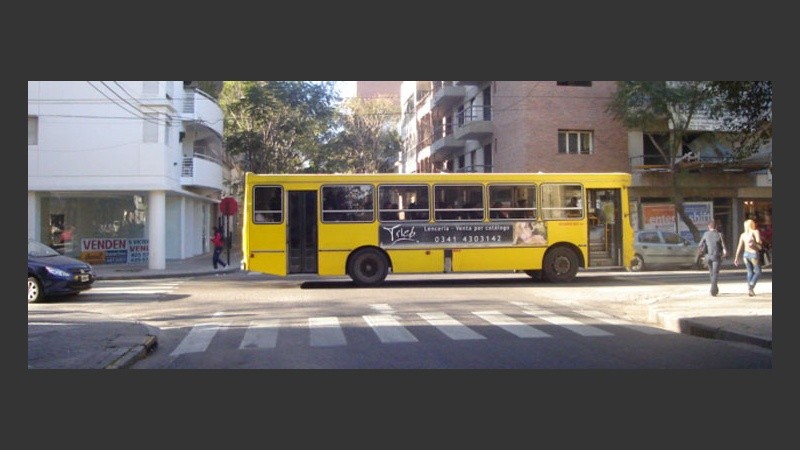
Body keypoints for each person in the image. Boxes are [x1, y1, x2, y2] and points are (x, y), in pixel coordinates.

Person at [697, 220, 727, 296]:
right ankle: (713, 290)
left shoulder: (705, 234)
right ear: (716, 227)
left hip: (708, 256)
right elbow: (723, 246)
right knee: (715, 273)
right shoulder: (720, 234)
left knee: (711, 273)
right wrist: (724, 253)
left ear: (708, 226)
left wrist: (702, 253)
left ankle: (715, 288)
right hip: (716, 256)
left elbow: (700, 244)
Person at [733, 219, 762, 296]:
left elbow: (739, 246)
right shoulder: (755, 232)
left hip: (745, 255)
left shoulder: (743, 235)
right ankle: (751, 285)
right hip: (753, 254)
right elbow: (758, 241)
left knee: (749, 272)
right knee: (758, 271)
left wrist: (736, 257)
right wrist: (760, 242)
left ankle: (750, 290)